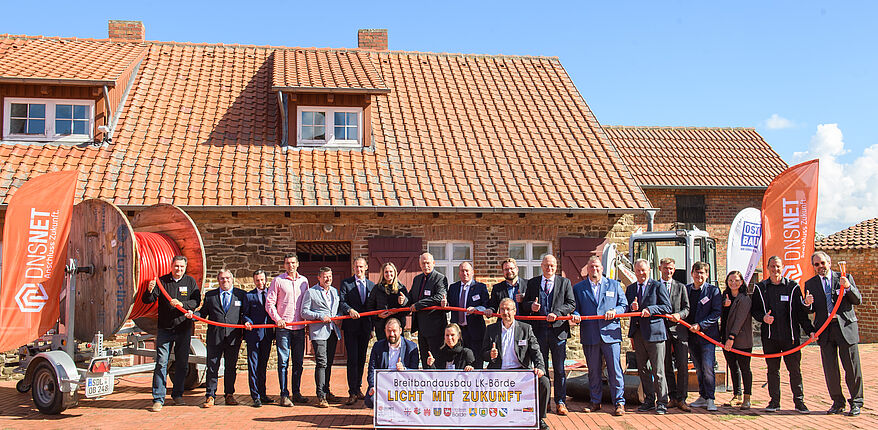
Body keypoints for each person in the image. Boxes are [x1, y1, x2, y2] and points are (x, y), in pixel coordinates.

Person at [751, 255, 816, 413]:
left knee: (794, 371)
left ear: (782, 267)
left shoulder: (793, 287)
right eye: (772, 266)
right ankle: (774, 402)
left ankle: (799, 402)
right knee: (773, 371)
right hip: (770, 338)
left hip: (790, 338)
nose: (775, 269)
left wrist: (810, 330)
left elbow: (801, 314)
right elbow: (755, 310)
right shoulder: (760, 288)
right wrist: (763, 318)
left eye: (778, 266)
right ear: (768, 268)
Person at [804, 251, 863, 416]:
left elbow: (857, 300)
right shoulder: (810, 284)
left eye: (822, 263)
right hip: (825, 330)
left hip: (845, 327)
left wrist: (848, 287)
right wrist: (807, 304)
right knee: (830, 369)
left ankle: (856, 402)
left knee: (851, 367)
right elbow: (810, 309)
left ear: (829, 263)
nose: (820, 267)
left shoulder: (844, 278)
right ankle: (837, 402)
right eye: (816, 264)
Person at [142, 255, 201, 412]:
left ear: (185, 268)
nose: (178, 269)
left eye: (181, 267)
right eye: (176, 266)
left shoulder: (190, 282)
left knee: (182, 363)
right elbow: (148, 300)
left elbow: (196, 301)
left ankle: (177, 395)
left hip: (183, 329)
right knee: (161, 363)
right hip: (165, 329)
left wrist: (182, 304)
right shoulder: (162, 281)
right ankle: (158, 399)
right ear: (171, 266)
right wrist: (149, 290)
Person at [571, 255, 628, 416]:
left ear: (602, 269)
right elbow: (575, 308)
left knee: (615, 370)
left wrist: (615, 311)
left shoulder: (614, 285)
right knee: (593, 371)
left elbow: (624, 305)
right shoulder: (579, 288)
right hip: (590, 334)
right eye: (591, 267)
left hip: (610, 334)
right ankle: (595, 401)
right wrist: (576, 315)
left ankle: (619, 403)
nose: (594, 269)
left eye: (597, 267)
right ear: (587, 269)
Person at [483, 298, 552, 430]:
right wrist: (490, 355)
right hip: (498, 373)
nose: (505, 312)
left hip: (520, 373)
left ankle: (538, 418)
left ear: (514, 311)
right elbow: (483, 353)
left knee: (544, 382)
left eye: (508, 309)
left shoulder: (526, 328)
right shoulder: (491, 329)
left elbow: (536, 351)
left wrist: (540, 367)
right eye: (502, 309)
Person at [523, 254, 575, 416]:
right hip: (538, 331)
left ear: (556, 266)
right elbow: (524, 304)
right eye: (546, 265)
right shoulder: (532, 283)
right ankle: (544, 402)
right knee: (541, 368)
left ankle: (560, 402)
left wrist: (557, 313)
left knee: (559, 369)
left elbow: (571, 304)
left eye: (552, 265)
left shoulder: (565, 282)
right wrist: (532, 306)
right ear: (541, 266)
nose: (549, 268)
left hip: (558, 332)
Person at [190, 269, 247, 408]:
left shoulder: (241, 295)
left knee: (230, 367)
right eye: (222, 278)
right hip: (215, 337)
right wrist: (194, 315)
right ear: (218, 280)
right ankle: (210, 395)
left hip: (233, 338)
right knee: (212, 367)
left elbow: (245, 314)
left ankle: (229, 394)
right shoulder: (211, 296)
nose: (225, 281)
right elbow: (203, 313)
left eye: (227, 278)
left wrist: (247, 323)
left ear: (232, 279)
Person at [626, 259, 671, 414]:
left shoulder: (658, 286)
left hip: (655, 334)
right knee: (643, 369)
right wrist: (631, 307)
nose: (641, 273)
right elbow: (626, 308)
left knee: (658, 370)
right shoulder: (631, 288)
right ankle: (649, 400)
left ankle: (662, 401)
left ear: (649, 270)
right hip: (638, 334)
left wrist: (651, 310)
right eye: (638, 271)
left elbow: (667, 307)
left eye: (643, 270)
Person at [265, 254, 310, 406]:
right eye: (287, 263)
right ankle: (284, 394)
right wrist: (277, 319)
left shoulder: (304, 281)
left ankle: (296, 393)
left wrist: (307, 321)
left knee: (298, 362)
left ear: (298, 264)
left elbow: (307, 302)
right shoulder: (278, 281)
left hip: (299, 327)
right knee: (283, 362)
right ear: (284, 265)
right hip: (283, 328)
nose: (291, 265)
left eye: (293, 263)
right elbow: (269, 303)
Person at [301, 266, 342, 408]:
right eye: (325, 276)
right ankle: (321, 395)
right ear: (319, 278)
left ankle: (327, 391)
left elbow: (337, 309)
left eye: (330, 276)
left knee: (329, 363)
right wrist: (319, 316)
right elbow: (304, 312)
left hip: (332, 331)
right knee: (321, 363)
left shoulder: (334, 291)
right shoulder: (311, 292)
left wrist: (338, 317)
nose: (328, 279)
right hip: (319, 332)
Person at [685, 261, 722, 411]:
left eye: (702, 273)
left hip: (707, 336)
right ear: (692, 273)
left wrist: (700, 325)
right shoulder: (686, 289)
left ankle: (711, 398)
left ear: (707, 275)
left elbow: (716, 312)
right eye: (696, 272)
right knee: (699, 368)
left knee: (708, 367)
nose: (699, 275)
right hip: (691, 336)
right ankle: (703, 396)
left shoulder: (713, 291)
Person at [338, 257, 374, 405]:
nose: (358, 269)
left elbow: (373, 307)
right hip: (351, 327)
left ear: (366, 267)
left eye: (361, 267)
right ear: (353, 268)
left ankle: (358, 388)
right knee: (352, 359)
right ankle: (352, 392)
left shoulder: (371, 285)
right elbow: (342, 301)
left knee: (361, 359)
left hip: (365, 327)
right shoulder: (346, 283)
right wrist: (349, 310)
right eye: (356, 267)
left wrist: (372, 328)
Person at [364, 318, 420, 409]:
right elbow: (371, 369)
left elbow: (415, 371)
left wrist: (404, 369)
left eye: (394, 331)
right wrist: (373, 386)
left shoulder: (411, 347)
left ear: (400, 331)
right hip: (384, 383)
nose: (392, 334)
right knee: (371, 400)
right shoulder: (378, 346)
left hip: (402, 385)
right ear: (385, 331)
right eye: (389, 331)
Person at [659, 257, 691, 411]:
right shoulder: (656, 286)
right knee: (666, 365)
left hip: (679, 331)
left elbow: (687, 308)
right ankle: (672, 397)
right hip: (662, 331)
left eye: (671, 268)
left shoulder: (681, 287)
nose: (668, 271)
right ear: (660, 268)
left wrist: (680, 315)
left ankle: (682, 399)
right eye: (666, 268)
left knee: (682, 365)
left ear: (674, 269)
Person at [720, 270, 753, 410]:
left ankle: (747, 397)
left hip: (741, 339)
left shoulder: (745, 299)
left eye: (737, 280)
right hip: (725, 338)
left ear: (742, 282)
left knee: (745, 368)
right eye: (731, 280)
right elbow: (722, 317)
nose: (733, 283)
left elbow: (740, 320)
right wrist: (724, 306)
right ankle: (737, 394)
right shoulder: (725, 297)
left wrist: (731, 337)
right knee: (733, 367)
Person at [409, 252, 449, 368]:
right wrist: (403, 301)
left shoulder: (440, 278)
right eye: (423, 263)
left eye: (428, 263)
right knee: (424, 359)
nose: (426, 266)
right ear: (419, 264)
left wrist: (419, 305)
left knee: (436, 361)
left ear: (433, 263)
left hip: (436, 328)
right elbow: (411, 297)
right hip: (421, 327)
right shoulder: (417, 279)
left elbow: (439, 297)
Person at [447, 262, 489, 368]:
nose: (464, 273)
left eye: (467, 271)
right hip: (458, 331)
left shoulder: (480, 287)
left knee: (476, 360)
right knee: (459, 361)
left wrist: (477, 309)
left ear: (472, 272)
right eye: (462, 271)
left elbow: (486, 305)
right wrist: (445, 304)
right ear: (459, 273)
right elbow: (449, 304)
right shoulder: (453, 287)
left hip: (475, 330)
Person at [242, 269, 274, 407]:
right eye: (257, 280)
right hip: (254, 335)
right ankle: (255, 396)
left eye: (262, 279)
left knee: (263, 365)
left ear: (266, 280)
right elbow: (245, 313)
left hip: (267, 335)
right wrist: (247, 321)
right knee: (253, 366)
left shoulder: (272, 295)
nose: (260, 282)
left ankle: (263, 394)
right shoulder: (249, 296)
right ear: (254, 281)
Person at [366, 261, 409, 340]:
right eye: (386, 272)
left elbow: (408, 309)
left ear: (395, 273)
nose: (389, 274)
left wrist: (403, 302)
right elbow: (369, 307)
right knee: (383, 347)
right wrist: (378, 315)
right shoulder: (377, 289)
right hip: (381, 326)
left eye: (391, 271)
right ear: (383, 274)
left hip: (397, 326)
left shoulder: (401, 288)